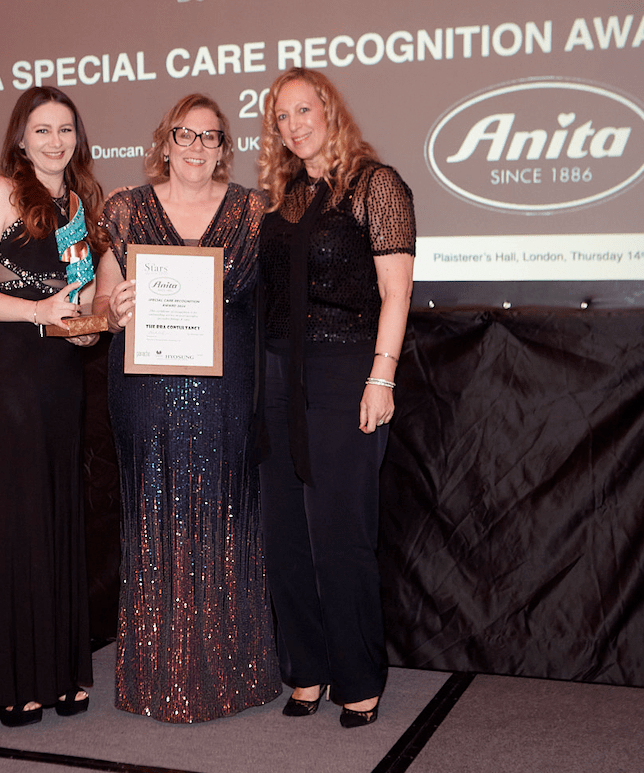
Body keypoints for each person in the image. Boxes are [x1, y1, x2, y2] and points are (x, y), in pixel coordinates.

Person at [94, 93, 281, 723]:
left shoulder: (253, 210)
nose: (197, 147)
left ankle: (233, 673)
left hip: (228, 390)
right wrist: (112, 310)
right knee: (154, 516)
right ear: (165, 141)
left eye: (210, 136)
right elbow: (101, 300)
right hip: (143, 391)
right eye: (185, 134)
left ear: (224, 146)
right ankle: (157, 676)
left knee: (224, 518)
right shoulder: (125, 208)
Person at [256, 68, 416, 728]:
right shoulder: (282, 197)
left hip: (345, 370)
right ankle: (307, 667)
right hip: (276, 375)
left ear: (329, 110)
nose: (293, 125)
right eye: (281, 116)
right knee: (284, 535)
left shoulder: (376, 184)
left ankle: (358, 677)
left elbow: (396, 292)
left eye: (303, 110)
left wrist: (382, 376)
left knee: (340, 534)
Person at [0, 86, 109, 727]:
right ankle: (16, 680)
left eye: (65, 129)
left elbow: (81, 294)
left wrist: (90, 328)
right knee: (19, 513)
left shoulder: (78, 203)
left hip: (59, 372)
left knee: (56, 508)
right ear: (21, 138)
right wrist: (37, 311)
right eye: (42, 130)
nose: (55, 141)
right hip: (8, 368)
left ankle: (59, 671)